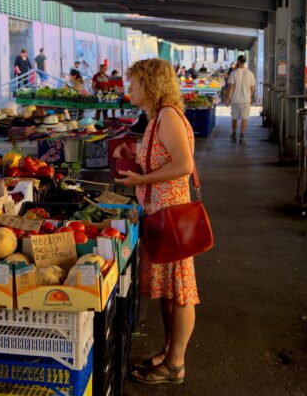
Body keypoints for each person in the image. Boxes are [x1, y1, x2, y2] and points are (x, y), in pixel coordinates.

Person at [113, 58, 198, 385]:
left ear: (150, 84)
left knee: (181, 291)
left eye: (133, 83)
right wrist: (134, 158)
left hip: (172, 215)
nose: (128, 88)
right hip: (160, 214)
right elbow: (162, 159)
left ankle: (176, 364)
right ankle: (169, 351)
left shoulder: (166, 117)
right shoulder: (156, 117)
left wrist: (141, 181)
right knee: (169, 291)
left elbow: (184, 165)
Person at [225, 55, 255, 145]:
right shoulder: (250, 73)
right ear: (244, 62)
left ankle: (234, 134)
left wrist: (227, 98)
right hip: (246, 99)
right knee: (244, 118)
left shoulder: (233, 73)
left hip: (235, 99)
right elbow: (253, 88)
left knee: (234, 118)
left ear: (238, 61)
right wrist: (251, 96)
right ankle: (242, 137)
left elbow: (230, 87)